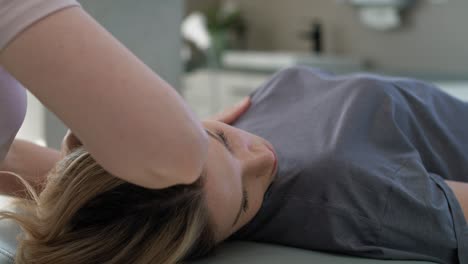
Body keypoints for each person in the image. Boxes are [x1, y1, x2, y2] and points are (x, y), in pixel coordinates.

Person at [2, 65, 468, 264]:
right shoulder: (362, 201)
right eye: (247, 201)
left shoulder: (169, 186)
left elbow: (89, 195)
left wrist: (85, 157)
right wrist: (211, 140)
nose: (262, 159)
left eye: (221, 140)